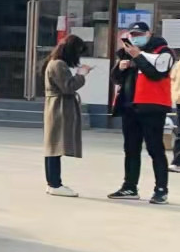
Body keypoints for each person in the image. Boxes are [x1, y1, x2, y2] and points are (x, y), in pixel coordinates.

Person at [107, 20, 173, 204]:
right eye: (133, 35)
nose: (136, 38)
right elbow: (116, 79)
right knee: (130, 149)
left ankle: (161, 190)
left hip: (152, 106)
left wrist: (138, 57)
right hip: (130, 107)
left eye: (140, 34)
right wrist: (120, 68)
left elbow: (156, 73)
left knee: (155, 148)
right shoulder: (127, 52)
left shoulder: (163, 51)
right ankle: (129, 186)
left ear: (149, 34)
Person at [42, 34, 91, 197]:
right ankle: (55, 183)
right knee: (55, 146)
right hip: (59, 107)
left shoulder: (54, 63)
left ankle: (53, 182)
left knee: (53, 145)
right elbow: (68, 87)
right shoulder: (58, 64)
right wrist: (81, 74)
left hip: (56, 106)